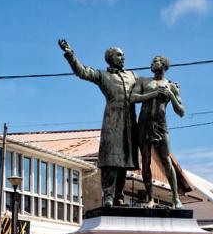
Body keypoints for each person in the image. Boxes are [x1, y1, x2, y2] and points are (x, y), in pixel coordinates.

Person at [58, 39, 139, 207]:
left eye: (123, 55)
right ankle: (108, 196)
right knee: (111, 160)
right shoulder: (103, 75)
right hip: (112, 121)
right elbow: (82, 72)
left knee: (124, 161)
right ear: (110, 58)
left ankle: (119, 196)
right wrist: (70, 53)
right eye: (119, 55)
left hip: (130, 123)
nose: (123, 57)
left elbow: (147, 89)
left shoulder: (132, 76)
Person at [131, 55, 185, 209]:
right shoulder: (143, 81)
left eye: (155, 61)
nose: (151, 63)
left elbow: (181, 112)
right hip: (143, 124)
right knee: (146, 161)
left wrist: (172, 96)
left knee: (166, 160)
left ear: (163, 65)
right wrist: (153, 94)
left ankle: (176, 199)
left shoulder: (171, 85)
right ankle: (150, 198)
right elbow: (133, 98)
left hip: (161, 125)